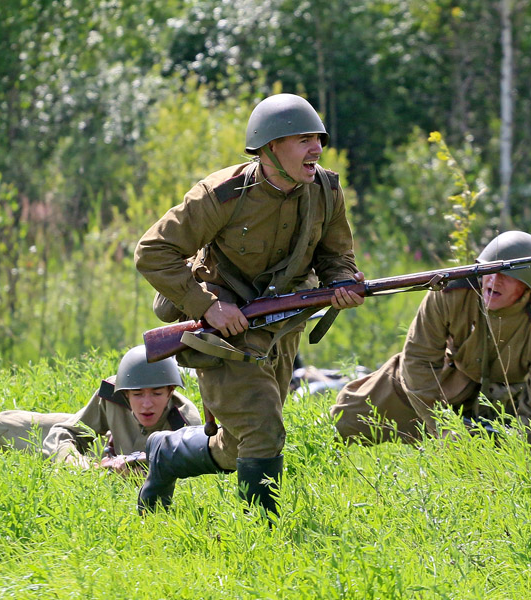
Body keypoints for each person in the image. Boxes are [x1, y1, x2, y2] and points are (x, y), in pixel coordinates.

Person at [134, 93, 364, 515]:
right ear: (270, 147)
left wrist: (343, 283)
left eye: (317, 139)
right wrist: (206, 305)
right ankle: (263, 537)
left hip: (281, 331)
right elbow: (153, 251)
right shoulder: (222, 194)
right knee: (263, 430)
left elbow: (336, 256)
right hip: (221, 333)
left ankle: (165, 454)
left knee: (239, 443)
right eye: (303, 140)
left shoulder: (327, 191)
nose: (316, 149)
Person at [329, 231, 531, 454]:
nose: (494, 280)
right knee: (348, 417)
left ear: (527, 288)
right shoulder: (450, 291)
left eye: (507, 275)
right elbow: (417, 361)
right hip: (447, 382)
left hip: (509, 403)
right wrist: (443, 426)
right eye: (491, 270)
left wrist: (514, 452)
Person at [0, 346, 202, 473]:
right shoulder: (112, 397)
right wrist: (78, 464)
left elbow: (188, 471)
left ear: (170, 391)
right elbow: (64, 432)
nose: (147, 403)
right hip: (98, 453)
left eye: (157, 394)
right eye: (137, 395)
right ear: (125, 394)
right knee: (1, 424)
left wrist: (133, 469)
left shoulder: (185, 422)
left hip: (123, 466)